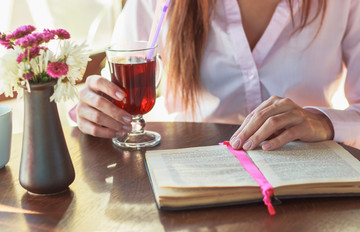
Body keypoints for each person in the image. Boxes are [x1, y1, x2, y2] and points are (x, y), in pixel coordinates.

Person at [75, 0, 360, 150]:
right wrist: (92, 109)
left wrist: (324, 121)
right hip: (195, 177)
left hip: (307, 180)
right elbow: (110, 93)